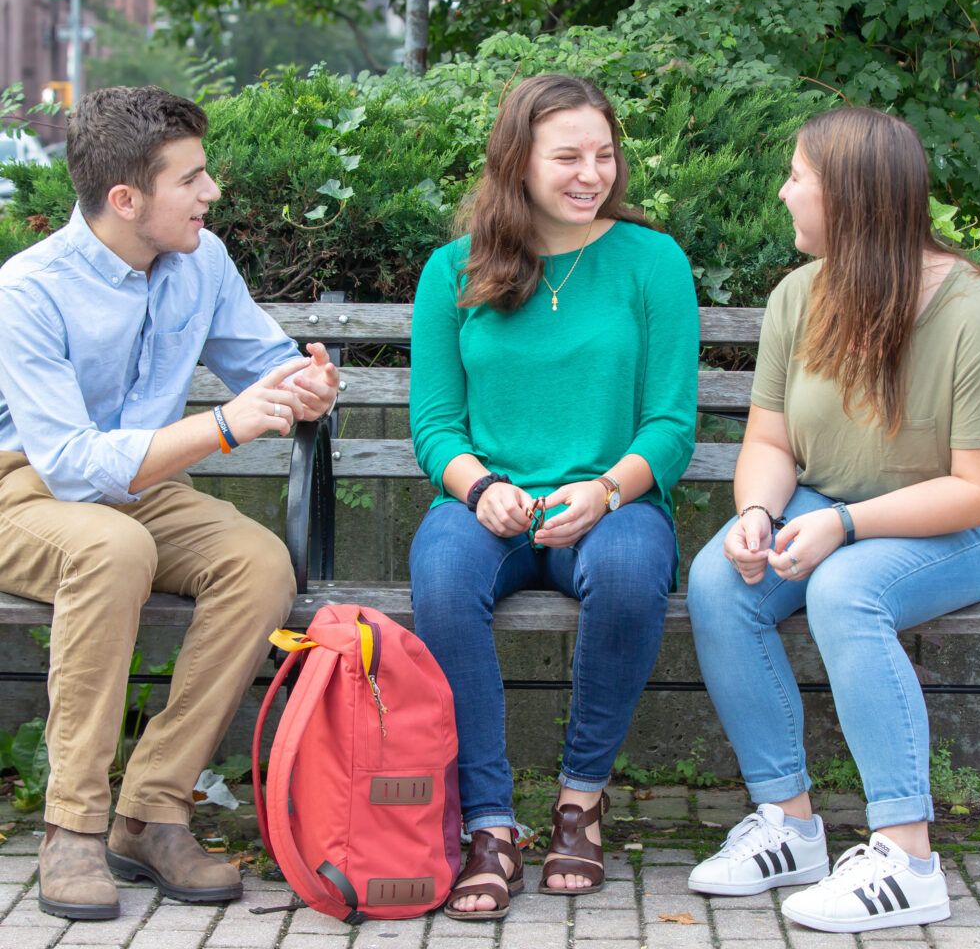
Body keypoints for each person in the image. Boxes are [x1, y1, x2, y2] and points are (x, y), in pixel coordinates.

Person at [0, 86, 339, 920]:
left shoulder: (200, 260)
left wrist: (308, 384)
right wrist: (221, 427)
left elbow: (264, 361)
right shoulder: (29, 289)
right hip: (24, 487)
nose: (211, 192)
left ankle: (151, 813)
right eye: (190, 180)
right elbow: (71, 466)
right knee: (110, 549)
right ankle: (72, 827)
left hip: (142, 485)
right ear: (125, 199)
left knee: (258, 565)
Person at [686, 105, 980, 933]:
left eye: (797, 177)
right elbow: (770, 440)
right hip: (829, 503)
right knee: (720, 579)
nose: (782, 192)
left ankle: (908, 861)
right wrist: (758, 511)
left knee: (845, 592)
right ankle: (788, 826)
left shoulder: (976, 312)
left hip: (966, 528)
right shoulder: (798, 296)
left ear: (849, 196)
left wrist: (845, 526)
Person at [408, 73, 698, 921]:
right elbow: (436, 425)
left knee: (632, 571)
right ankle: (489, 823)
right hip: (487, 508)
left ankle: (580, 802)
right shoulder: (454, 270)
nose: (591, 174)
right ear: (518, 162)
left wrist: (606, 491)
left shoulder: (653, 262)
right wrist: (481, 486)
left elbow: (671, 423)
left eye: (604, 155)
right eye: (568, 156)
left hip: (613, 505)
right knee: (440, 575)